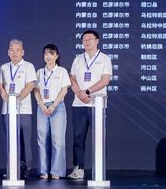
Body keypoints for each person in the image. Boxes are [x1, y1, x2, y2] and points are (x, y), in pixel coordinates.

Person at [68, 30, 112, 180]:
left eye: (90, 39)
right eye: (84, 39)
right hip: (79, 104)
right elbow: (72, 78)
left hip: (97, 105)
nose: (87, 42)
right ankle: (78, 168)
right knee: (78, 138)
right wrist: (80, 94)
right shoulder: (78, 59)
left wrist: (87, 92)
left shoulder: (105, 59)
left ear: (97, 41)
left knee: (98, 138)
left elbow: (105, 80)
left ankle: (99, 169)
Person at [0, 39, 36, 179]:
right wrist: (6, 98)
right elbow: (1, 85)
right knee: (11, 140)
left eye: (17, 50)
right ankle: (12, 168)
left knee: (25, 141)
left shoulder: (28, 66)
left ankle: (26, 168)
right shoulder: (3, 67)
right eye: (12, 50)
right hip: (8, 110)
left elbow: (30, 85)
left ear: (22, 52)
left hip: (23, 110)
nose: (14, 53)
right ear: (8, 52)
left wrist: (18, 98)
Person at [33, 44, 70, 180]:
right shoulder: (39, 72)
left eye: (51, 53)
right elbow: (36, 90)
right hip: (42, 107)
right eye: (46, 54)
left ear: (56, 56)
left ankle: (56, 171)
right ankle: (43, 171)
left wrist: (53, 105)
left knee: (58, 141)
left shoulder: (62, 71)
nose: (48, 56)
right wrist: (41, 104)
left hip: (57, 107)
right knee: (41, 140)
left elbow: (64, 90)